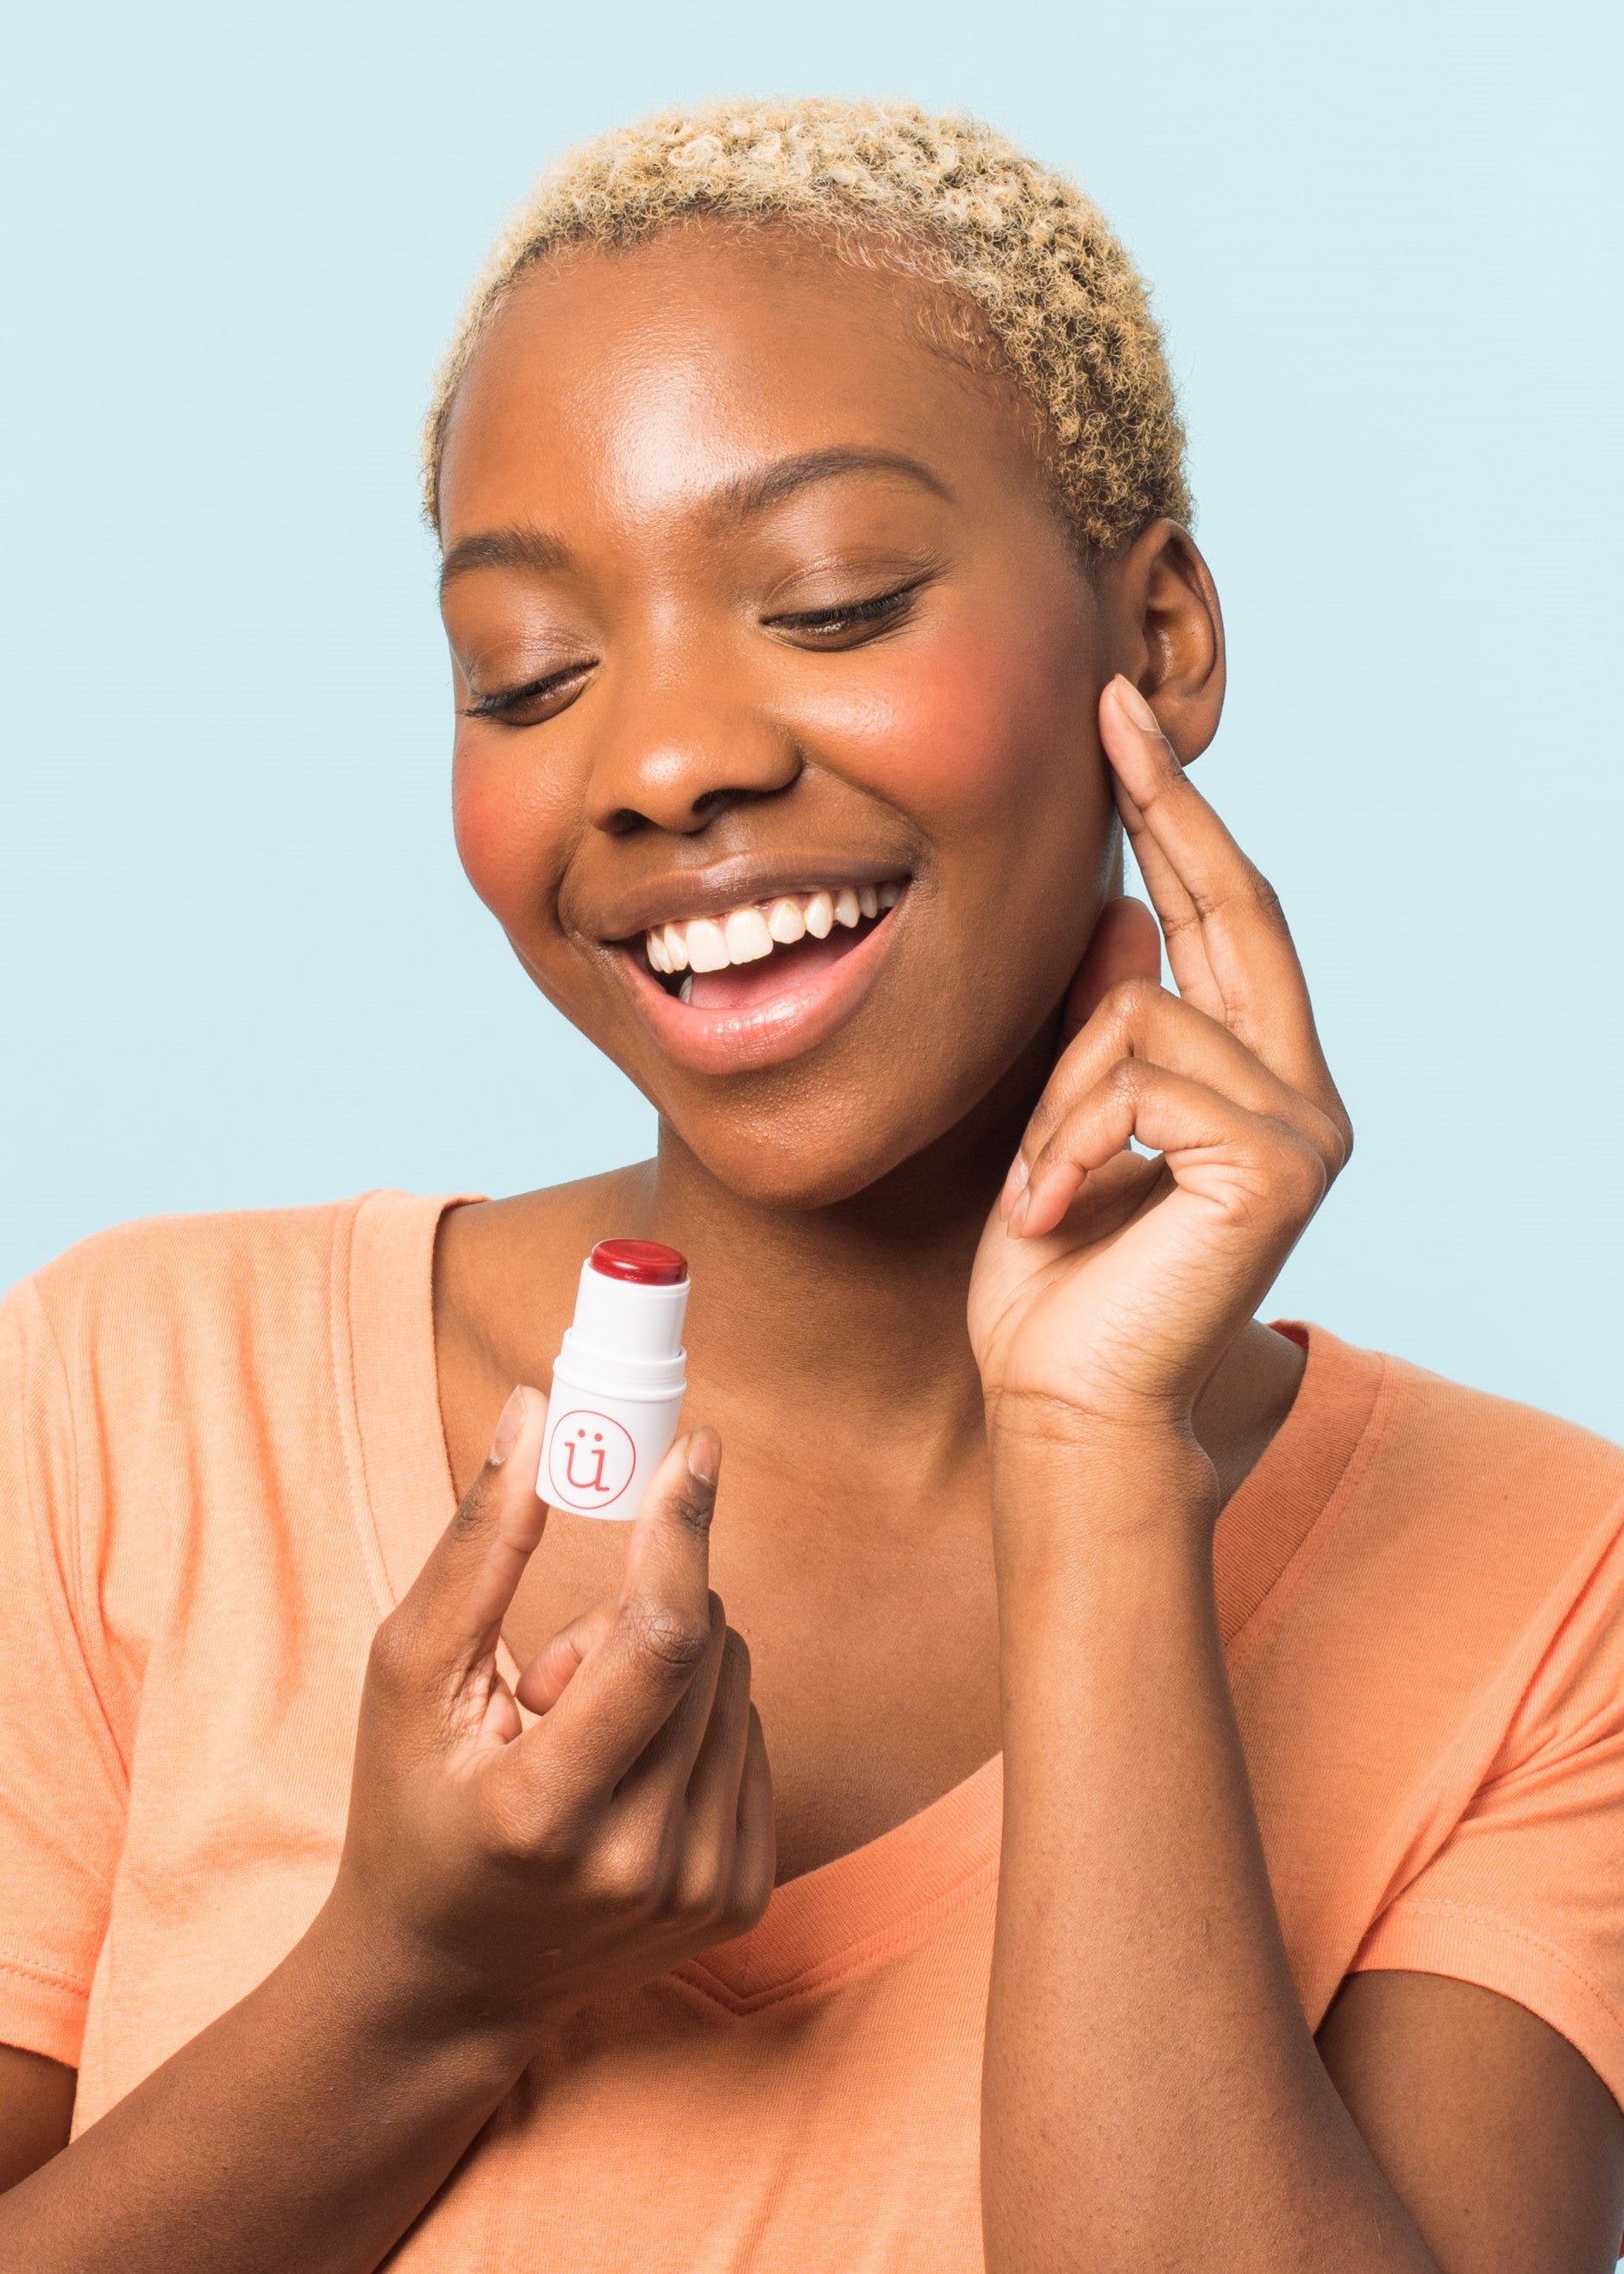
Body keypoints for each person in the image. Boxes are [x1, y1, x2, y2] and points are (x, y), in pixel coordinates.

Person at [1, 95, 1621, 2274]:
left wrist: (1095, 1468)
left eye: (834, 604)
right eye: (531, 674)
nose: (665, 757)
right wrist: (415, 1986)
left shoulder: (1546, 1592)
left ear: (1159, 643)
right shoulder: (126, 1407)